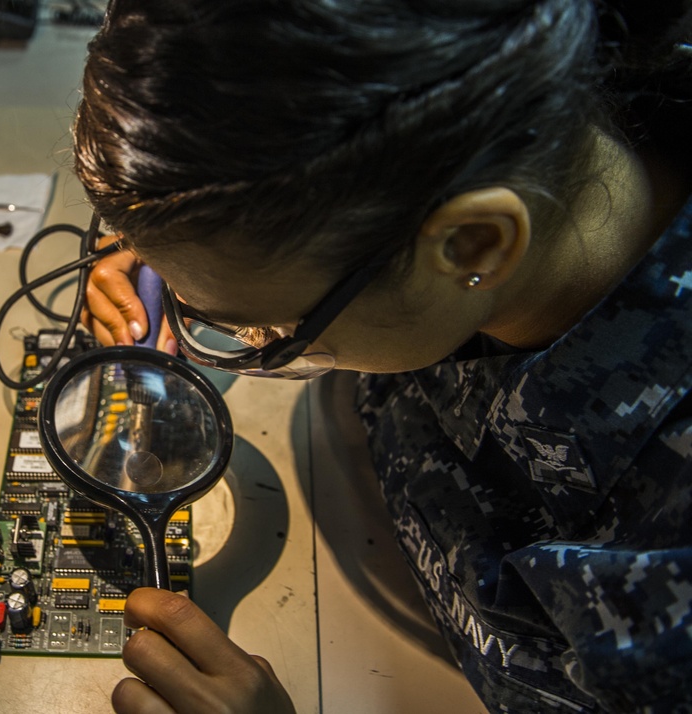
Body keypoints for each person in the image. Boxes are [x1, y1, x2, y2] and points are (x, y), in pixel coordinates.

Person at [72, 1, 692, 712]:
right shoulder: (512, 132)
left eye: (267, 328)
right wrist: (195, 251)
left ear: (474, 245)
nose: (246, 343)